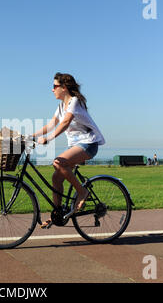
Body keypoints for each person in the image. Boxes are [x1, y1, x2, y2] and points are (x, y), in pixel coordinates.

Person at [32, 72, 105, 229]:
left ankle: (82, 192)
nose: (52, 90)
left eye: (54, 86)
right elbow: (51, 125)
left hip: (88, 144)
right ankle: (57, 215)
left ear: (63, 88)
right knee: (56, 178)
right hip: (75, 146)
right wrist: (31, 136)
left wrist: (48, 139)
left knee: (58, 162)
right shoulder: (60, 106)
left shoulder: (74, 102)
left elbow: (65, 122)